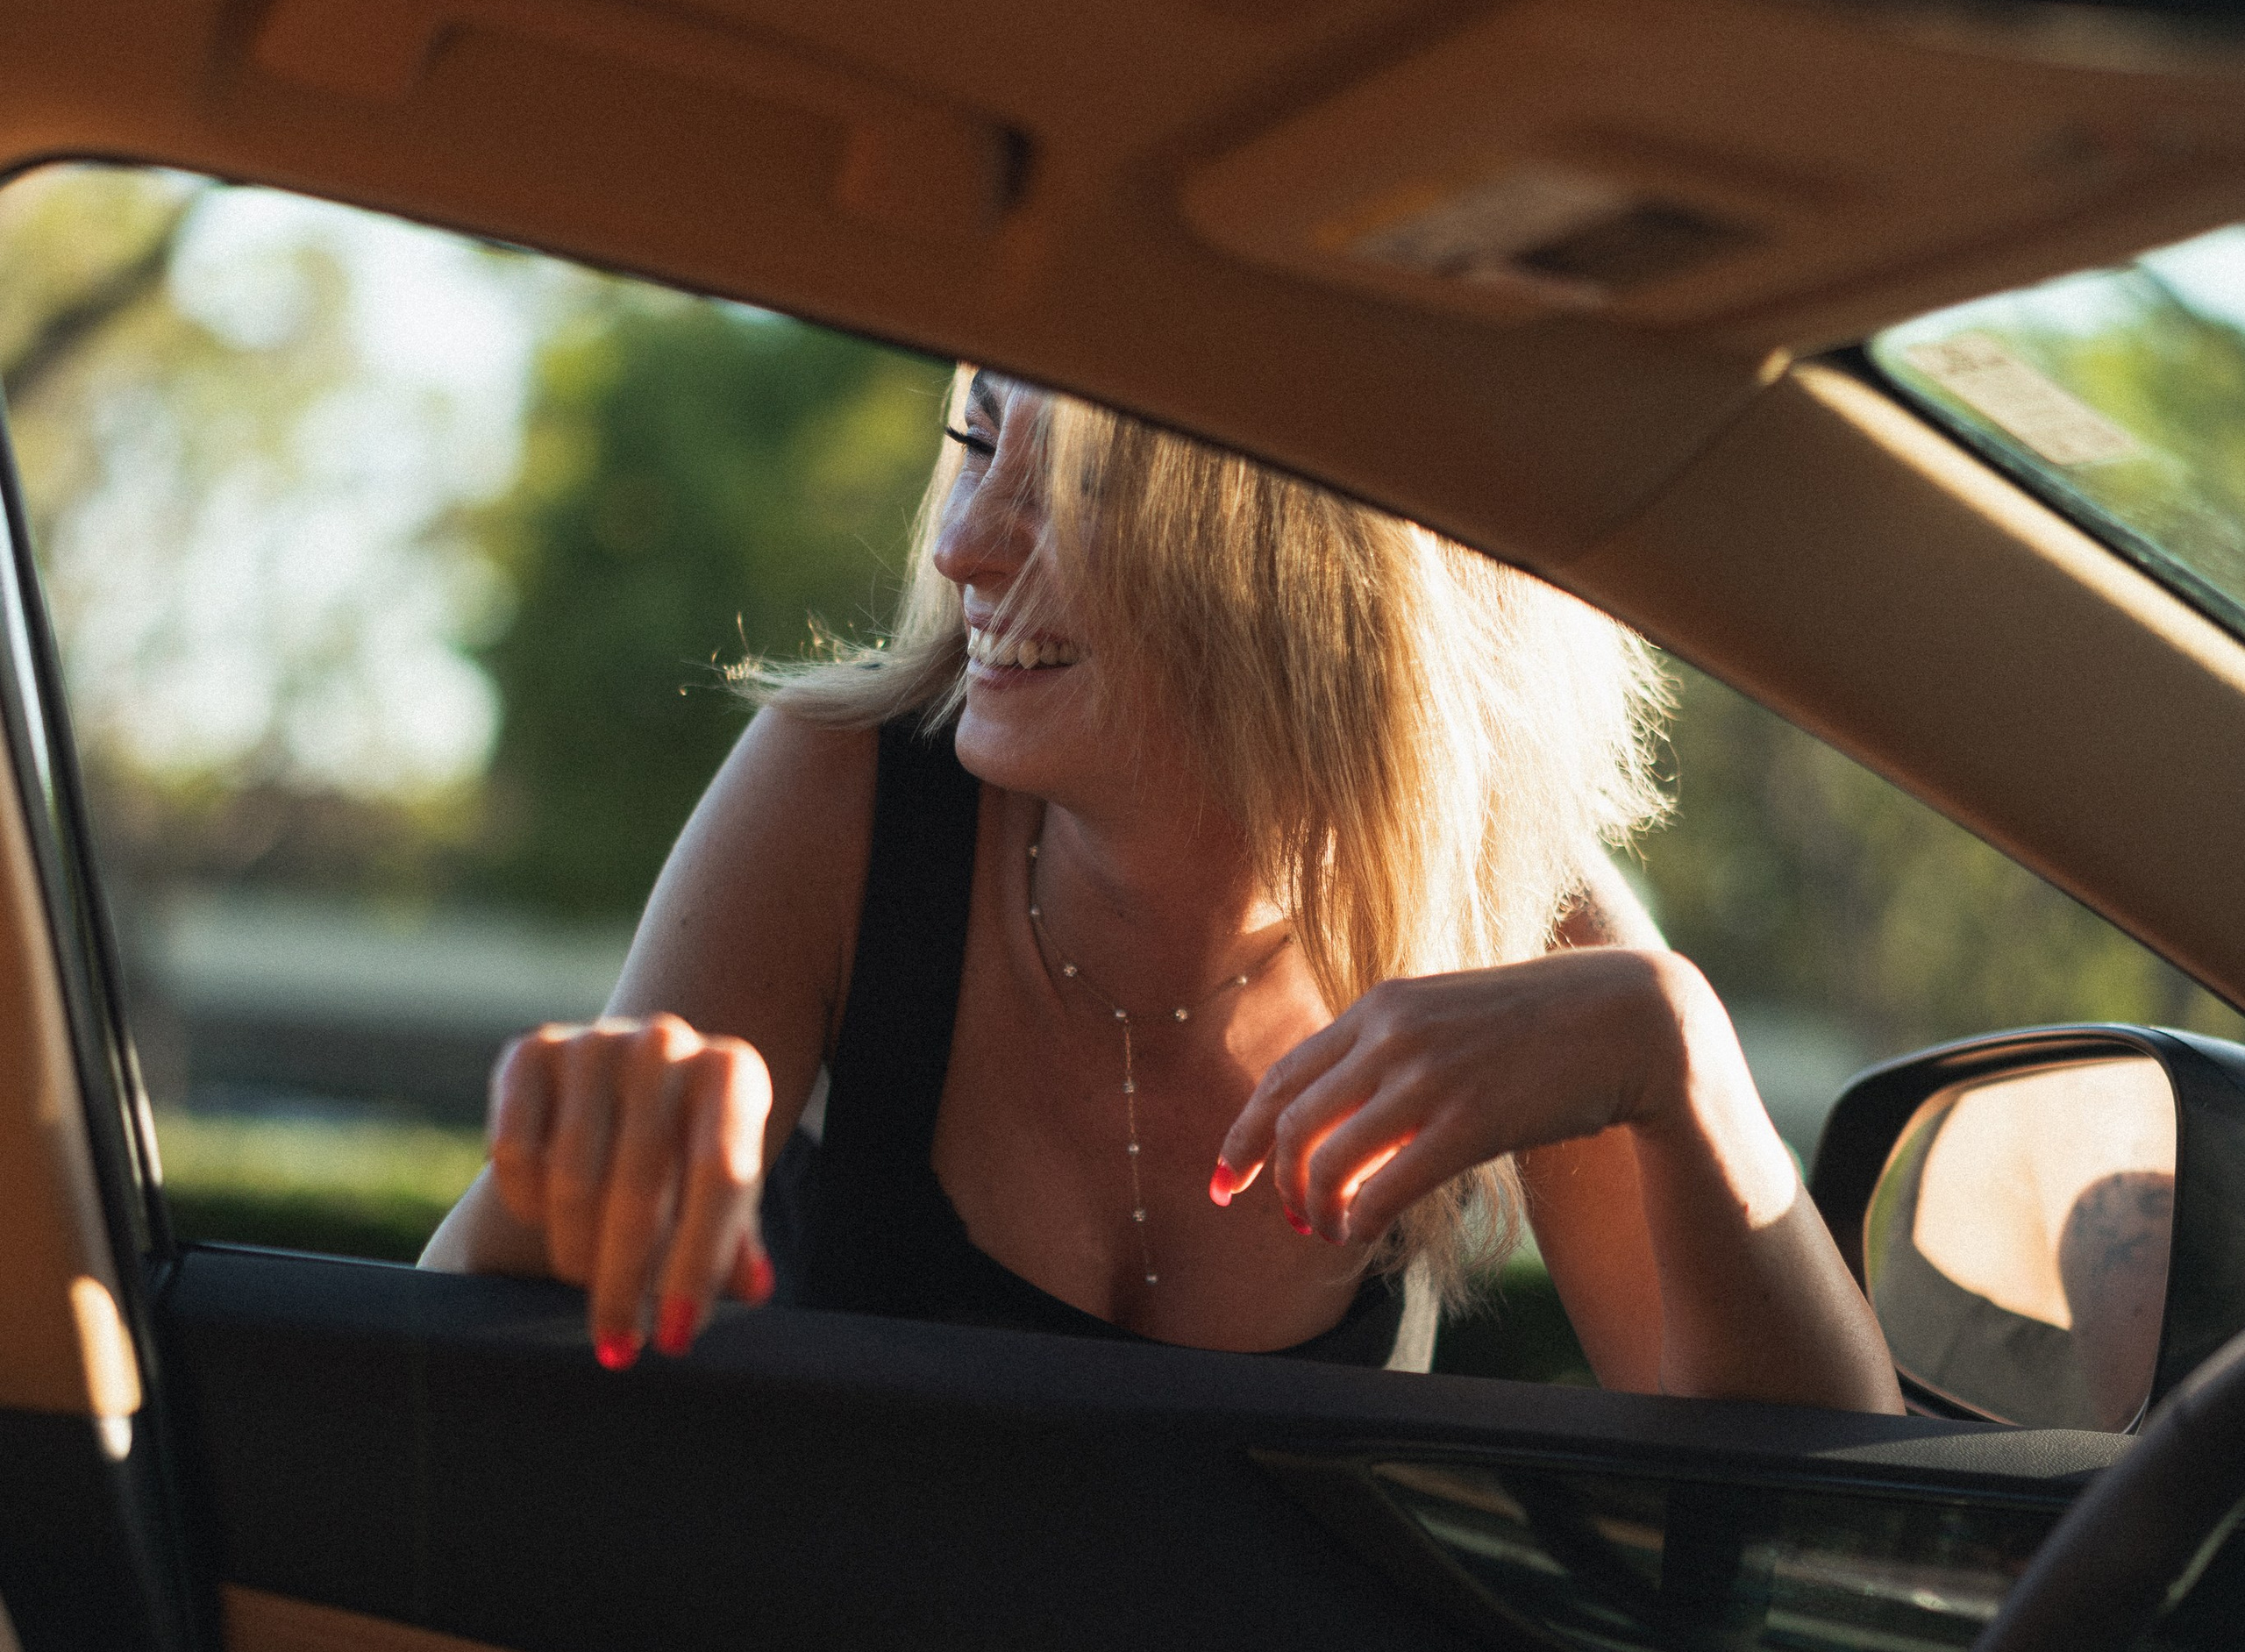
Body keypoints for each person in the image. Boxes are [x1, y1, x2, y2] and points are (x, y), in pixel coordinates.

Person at [424, 373, 1900, 1411]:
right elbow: (459, 1383)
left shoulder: (1499, 903)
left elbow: (1827, 1528)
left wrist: (1681, 1059)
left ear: (1304, 565)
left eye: (1067, 484)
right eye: (976, 439)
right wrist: (565, 1179)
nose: (961, 541)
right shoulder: (845, 793)